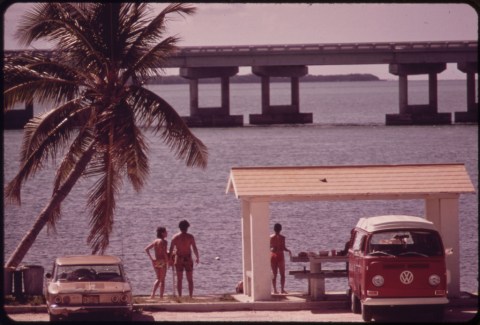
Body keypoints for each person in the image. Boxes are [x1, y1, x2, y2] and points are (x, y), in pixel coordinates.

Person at [169, 220, 199, 298]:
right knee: (190, 279)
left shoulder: (175, 237)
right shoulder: (190, 237)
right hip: (187, 258)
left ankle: (180, 296)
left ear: (179, 227)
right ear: (187, 228)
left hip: (179, 258)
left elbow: (171, 249)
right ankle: (190, 296)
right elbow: (194, 248)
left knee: (179, 279)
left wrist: (169, 259)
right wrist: (197, 257)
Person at [145, 227, 170, 299]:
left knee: (158, 278)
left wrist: (152, 258)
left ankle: (152, 294)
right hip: (162, 261)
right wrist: (167, 261)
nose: (167, 233)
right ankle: (161, 296)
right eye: (165, 232)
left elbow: (146, 249)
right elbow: (164, 253)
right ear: (162, 233)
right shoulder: (164, 241)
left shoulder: (155, 241)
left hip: (156, 261)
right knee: (162, 279)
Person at [270, 223, 292, 294]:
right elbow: (283, 248)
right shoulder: (282, 237)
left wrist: (272, 249)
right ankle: (282, 289)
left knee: (274, 274)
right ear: (280, 229)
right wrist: (288, 250)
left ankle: (275, 290)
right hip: (280, 256)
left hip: (273, 256)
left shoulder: (271, 237)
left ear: (274, 229)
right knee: (282, 274)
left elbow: (269, 248)